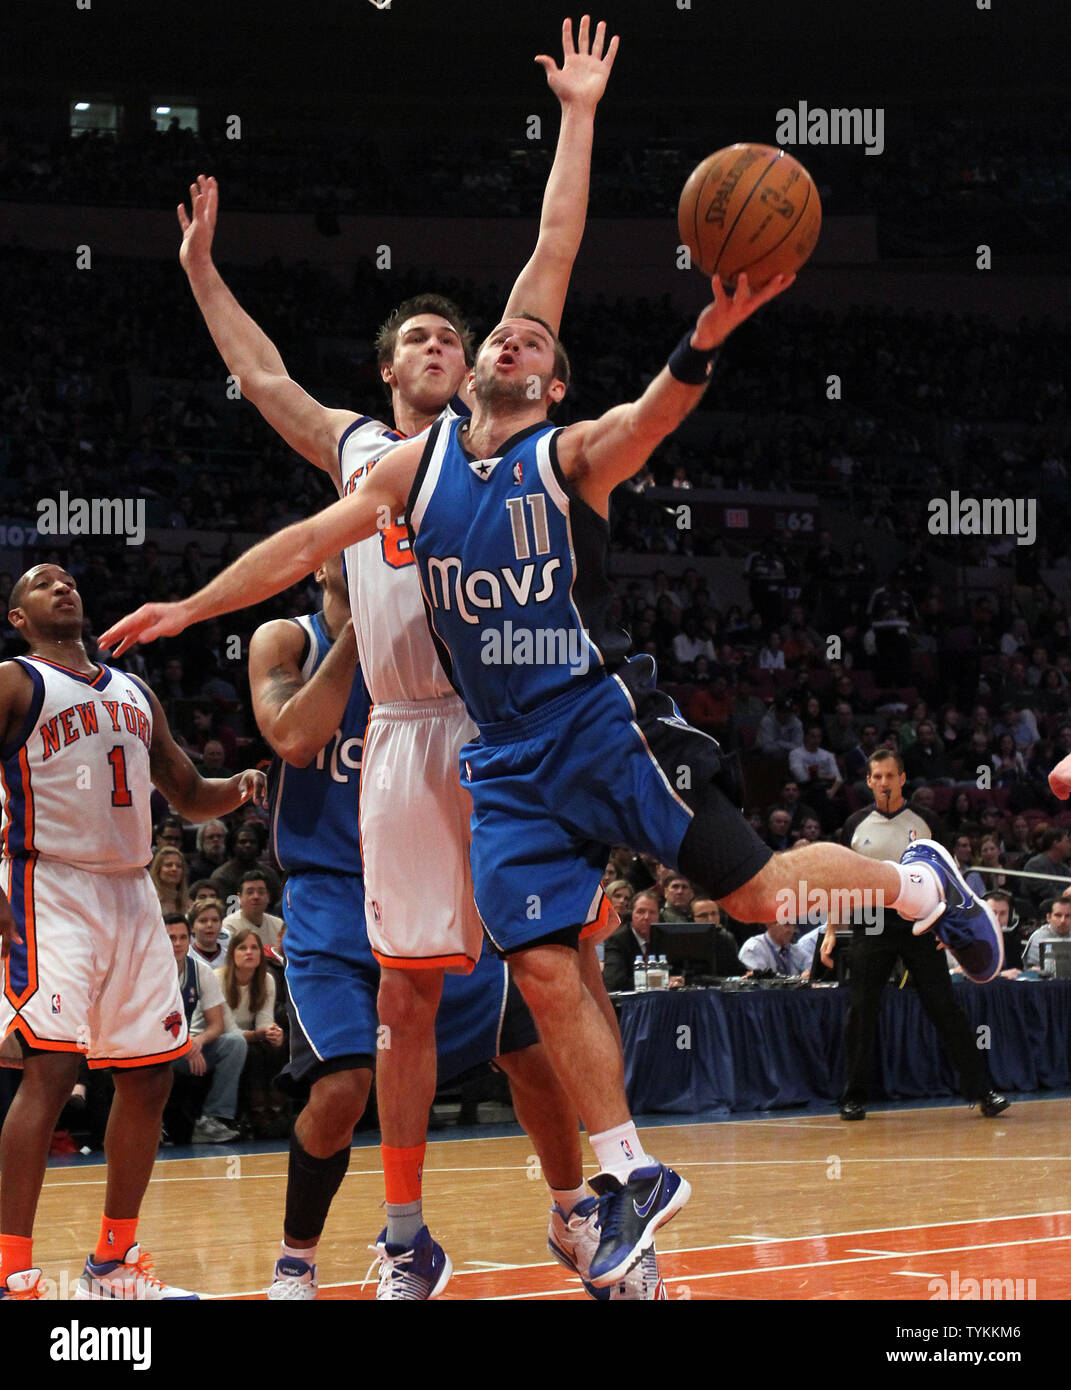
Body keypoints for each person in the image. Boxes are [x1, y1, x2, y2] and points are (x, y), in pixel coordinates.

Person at [102, 274, 1005, 1285]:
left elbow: (562, 267)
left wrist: (583, 130)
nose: (453, 344)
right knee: (446, 989)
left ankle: (593, 1202)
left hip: (557, 719)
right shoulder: (376, 460)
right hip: (442, 742)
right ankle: (449, 1225)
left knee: (599, 957)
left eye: (466, 334)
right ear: (390, 369)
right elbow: (269, 401)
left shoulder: (531, 448)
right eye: (427, 337)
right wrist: (200, 273)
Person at [251, 554, 660, 1300]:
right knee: (341, 1087)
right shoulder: (287, 639)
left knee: (533, 1057)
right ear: (323, 560)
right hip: (335, 895)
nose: (373, 540)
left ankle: (574, 1214)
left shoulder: (443, 640)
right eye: (356, 532)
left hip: (442, 870)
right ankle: (297, 1263)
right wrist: (366, 627)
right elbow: (294, 737)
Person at [0, 563, 265, 1300]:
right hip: (47, 883)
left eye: (67, 578)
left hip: (132, 891)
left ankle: (113, 1262)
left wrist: (240, 788)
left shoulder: (132, 689)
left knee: (149, 1074)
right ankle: (8, 1267)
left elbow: (184, 790)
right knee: (51, 1071)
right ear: (18, 617)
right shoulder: (14, 681)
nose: (61, 585)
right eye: (39, 582)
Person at [822, 748, 1007, 1123]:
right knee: (861, 1009)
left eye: (891, 776)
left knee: (945, 1007)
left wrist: (950, 929)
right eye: (878, 777)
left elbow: (950, 881)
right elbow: (839, 880)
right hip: (870, 921)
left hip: (921, 921)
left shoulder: (927, 821)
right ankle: (854, 1097)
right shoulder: (855, 824)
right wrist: (831, 929)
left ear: (903, 778)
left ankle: (982, 1092)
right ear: (869, 781)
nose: (885, 782)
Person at [165, 915, 248, 1143]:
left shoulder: (200, 971)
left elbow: (217, 1024)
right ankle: (154, 1123)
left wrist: (197, 1043)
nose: (178, 943)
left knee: (235, 1043)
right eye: (171, 938)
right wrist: (184, 1045)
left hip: (187, 1046)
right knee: (153, 1055)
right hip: (156, 1049)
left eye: (183, 937)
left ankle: (212, 1120)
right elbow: (146, 1028)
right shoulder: (149, 973)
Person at [217, 929, 286, 1137]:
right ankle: (257, 1115)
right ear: (232, 954)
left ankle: (274, 1111)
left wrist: (274, 1033)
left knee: (275, 1045)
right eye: (242, 948)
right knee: (252, 1050)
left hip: (247, 1037)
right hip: (219, 1039)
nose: (249, 952)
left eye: (254, 947)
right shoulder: (217, 978)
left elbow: (265, 1021)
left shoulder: (267, 979)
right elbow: (228, 1029)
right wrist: (260, 1034)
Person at [221, 869, 285, 950]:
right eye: (250, 892)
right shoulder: (229, 926)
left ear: (268, 897)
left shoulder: (278, 924)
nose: (256, 897)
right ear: (240, 897)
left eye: (261, 892)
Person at [738, 921, 811, 975]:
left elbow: (812, 969)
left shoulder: (795, 950)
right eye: (786, 924)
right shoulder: (754, 948)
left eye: (793, 925)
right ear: (769, 923)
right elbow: (758, 983)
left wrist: (809, 975)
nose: (790, 930)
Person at [1022, 897, 1071, 970]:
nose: (1063, 920)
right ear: (1049, 917)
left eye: (1068, 916)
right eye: (1058, 915)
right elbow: (1033, 969)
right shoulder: (1040, 938)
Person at [148, 845, 189, 917]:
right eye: (169, 865)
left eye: (179, 866)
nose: (174, 869)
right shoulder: (149, 901)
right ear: (158, 869)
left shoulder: (188, 904)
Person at [188, 896, 229, 966]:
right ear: (192, 927)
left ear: (221, 924)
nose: (210, 925)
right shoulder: (186, 957)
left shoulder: (230, 958)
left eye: (215, 920)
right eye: (203, 921)